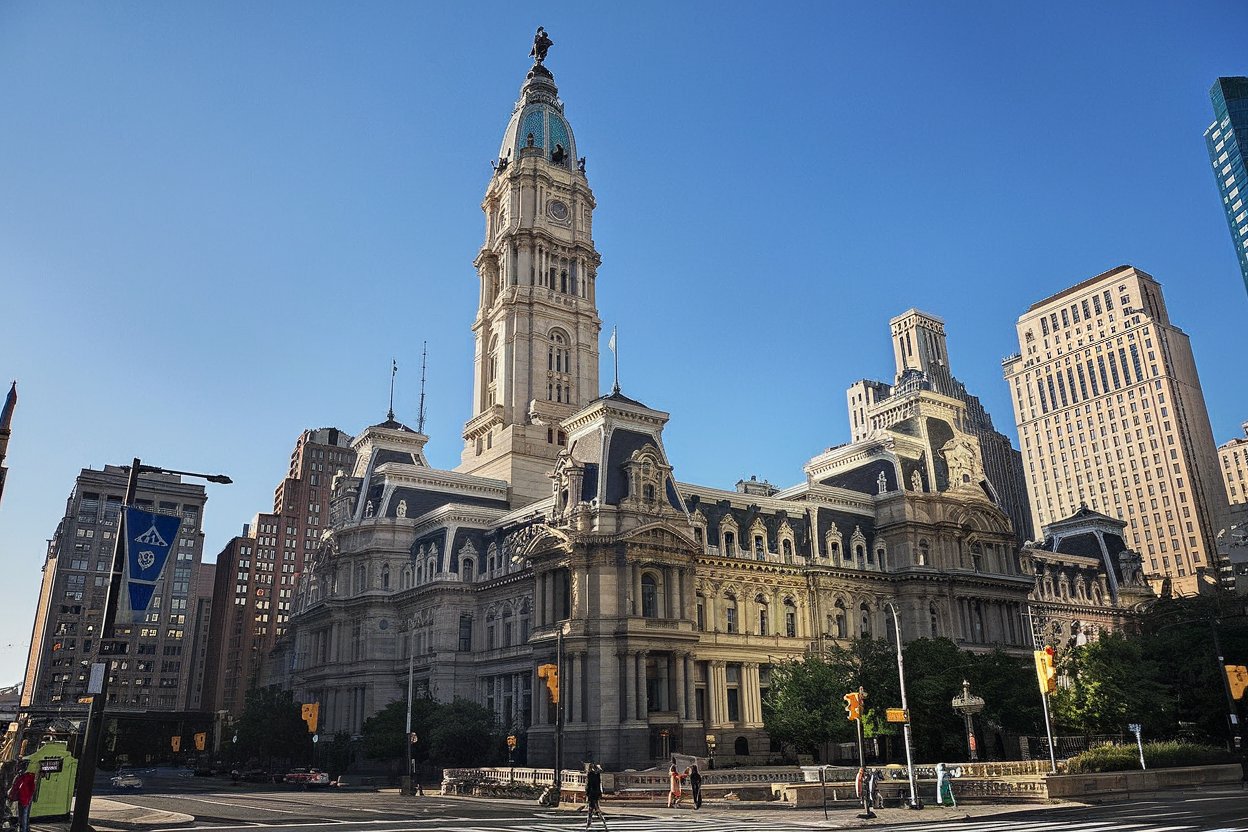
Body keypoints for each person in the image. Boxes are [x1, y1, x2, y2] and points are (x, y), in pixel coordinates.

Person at [7, 761, 35, 832]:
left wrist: (11, 797)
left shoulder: (23, 777)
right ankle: (25, 829)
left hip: (25, 799)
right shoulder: (27, 777)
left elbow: (15, 788)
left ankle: (24, 829)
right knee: (24, 816)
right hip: (25, 799)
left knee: (23, 816)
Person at [584, 764, 606, 829]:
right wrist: (599, 794)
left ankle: (588, 826)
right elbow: (599, 786)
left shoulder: (590, 775)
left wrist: (587, 794)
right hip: (596, 795)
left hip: (591, 795)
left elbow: (588, 786)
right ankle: (604, 825)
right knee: (596, 810)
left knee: (591, 811)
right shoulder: (597, 775)